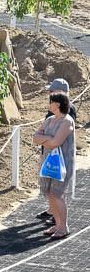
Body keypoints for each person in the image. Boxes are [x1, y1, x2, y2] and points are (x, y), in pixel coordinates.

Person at [33, 93, 75, 239]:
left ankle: (64, 227)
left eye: (51, 102)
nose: (49, 104)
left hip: (63, 164)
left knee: (57, 195)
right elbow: (35, 138)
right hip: (48, 162)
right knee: (50, 194)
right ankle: (57, 225)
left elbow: (56, 142)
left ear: (57, 104)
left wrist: (44, 140)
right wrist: (48, 140)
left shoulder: (67, 121)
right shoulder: (50, 119)